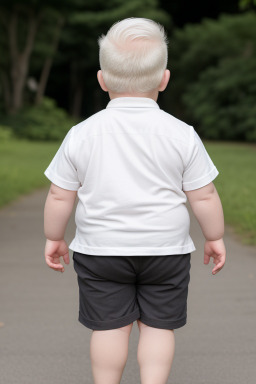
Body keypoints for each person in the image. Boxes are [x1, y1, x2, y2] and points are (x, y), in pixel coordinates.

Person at [44, 17, 226, 384]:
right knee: (159, 326)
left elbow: (60, 193)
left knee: (110, 327)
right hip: (165, 250)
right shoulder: (181, 134)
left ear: (102, 79)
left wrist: (53, 237)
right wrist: (215, 236)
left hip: (101, 251)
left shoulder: (83, 134)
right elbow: (203, 194)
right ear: (164, 79)